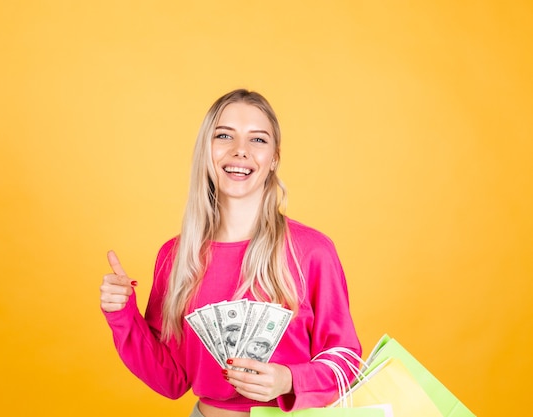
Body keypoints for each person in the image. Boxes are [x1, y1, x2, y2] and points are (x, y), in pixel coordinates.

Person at [100, 89, 361, 417]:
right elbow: (171, 380)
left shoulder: (311, 251)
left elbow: (347, 361)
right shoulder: (175, 256)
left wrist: (289, 379)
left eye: (258, 140)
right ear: (205, 150)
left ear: (274, 158)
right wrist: (122, 313)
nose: (240, 151)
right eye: (224, 135)